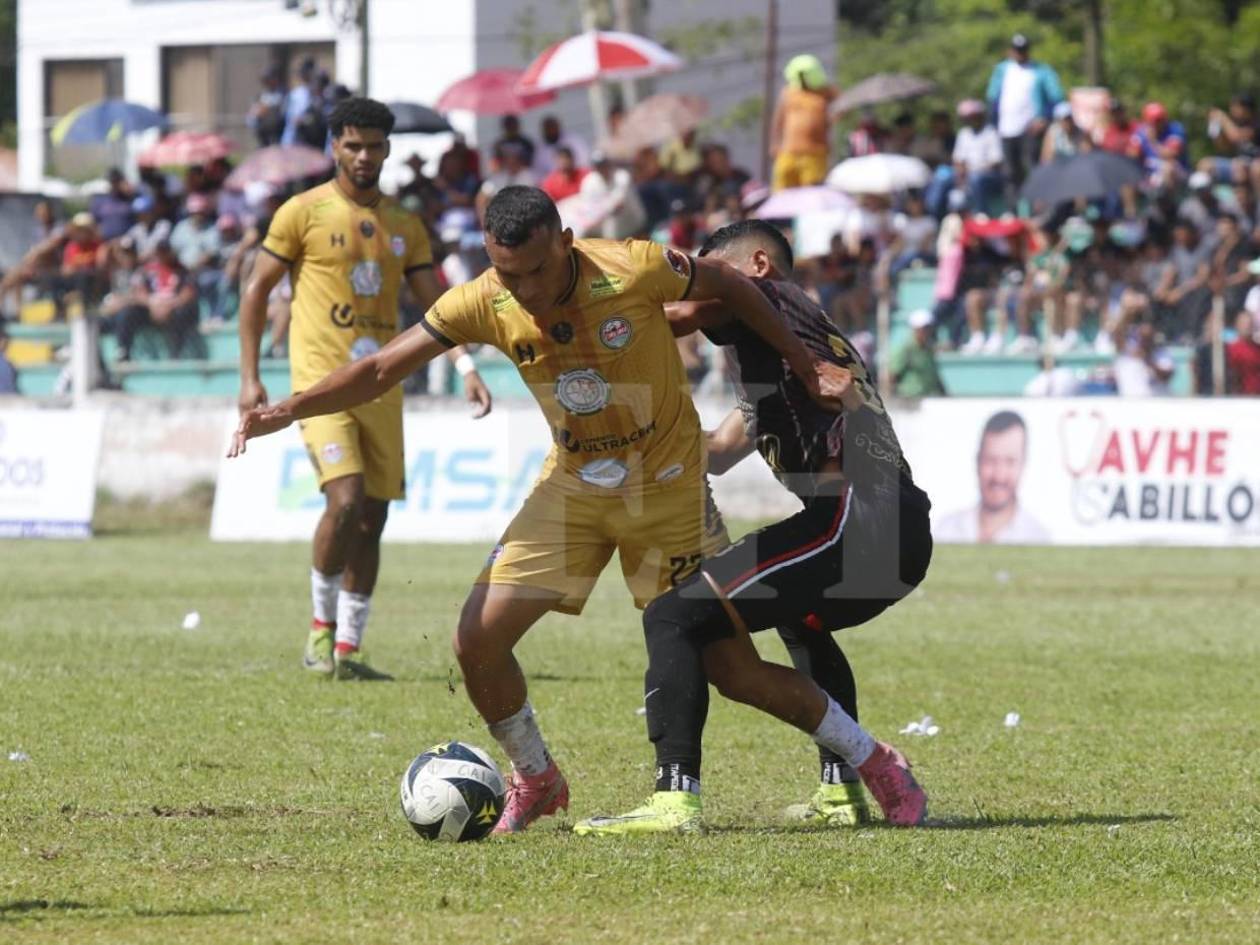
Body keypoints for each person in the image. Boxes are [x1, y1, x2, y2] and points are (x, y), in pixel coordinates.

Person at [232, 185, 845, 834]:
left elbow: (729, 282)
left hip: (664, 487)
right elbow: (384, 366)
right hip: (576, 485)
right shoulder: (483, 297)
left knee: (731, 666)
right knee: (477, 639)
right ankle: (537, 775)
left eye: (535, 270)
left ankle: (865, 760)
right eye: (506, 272)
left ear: (565, 239)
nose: (521, 288)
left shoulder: (630, 264)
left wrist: (806, 366)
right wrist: (288, 408)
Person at [572, 220, 930, 835]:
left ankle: (674, 800)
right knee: (797, 618)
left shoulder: (776, 298)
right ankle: (842, 790)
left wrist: (586, 297)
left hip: (860, 518)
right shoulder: (782, 349)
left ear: (759, 267)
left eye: (711, 275)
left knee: (672, 616)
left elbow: (674, 317)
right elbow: (713, 452)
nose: (694, 287)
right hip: (892, 531)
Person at [238, 97, 493, 682]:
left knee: (373, 517)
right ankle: (319, 632)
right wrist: (250, 377)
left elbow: (440, 307)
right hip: (320, 387)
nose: (363, 156)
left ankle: (350, 648)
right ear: (335, 147)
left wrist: (465, 368)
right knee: (345, 500)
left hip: (382, 387)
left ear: (387, 150)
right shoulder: (300, 212)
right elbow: (256, 291)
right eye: (352, 145)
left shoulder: (405, 223)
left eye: (374, 146)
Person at [935, 411, 1049, 543]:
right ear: (977, 461)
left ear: (1023, 464)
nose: (999, 476)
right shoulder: (945, 530)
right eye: (990, 460)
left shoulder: (1039, 538)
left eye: (1010, 461)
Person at [985, 33, 1064, 191]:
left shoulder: (1041, 70)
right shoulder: (1002, 70)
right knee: (1010, 172)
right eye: (1016, 49)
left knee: (1032, 167)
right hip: (1006, 128)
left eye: (1023, 49)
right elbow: (992, 98)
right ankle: (1013, 211)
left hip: (1031, 129)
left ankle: (1037, 207)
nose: (1019, 53)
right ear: (1011, 50)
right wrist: (993, 123)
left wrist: (1044, 118)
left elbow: (1056, 97)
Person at [769, 53, 837, 191]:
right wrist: (775, 143)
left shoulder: (825, 91)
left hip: (815, 153)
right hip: (788, 152)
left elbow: (842, 105)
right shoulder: (788, 92)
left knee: (811, 193)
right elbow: (778, 120)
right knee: (783, 193)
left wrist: (829, 120)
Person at [891, 309, 946, 397]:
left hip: (928, 397)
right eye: (924, 328)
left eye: (929, 328)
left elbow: (934, 374)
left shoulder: (929, 349)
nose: (927, 332)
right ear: (915, 329)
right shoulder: (905, 349)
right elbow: (892, 376)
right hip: (909, 400)